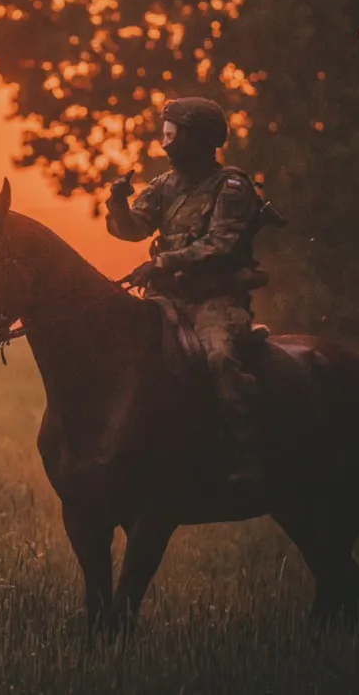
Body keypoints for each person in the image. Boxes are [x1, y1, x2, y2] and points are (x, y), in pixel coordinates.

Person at [105, 97, 268, 494]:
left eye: (172, 134)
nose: (166, 143)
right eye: (166, 134)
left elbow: (221, 244)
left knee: (219, 358)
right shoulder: (165, 185)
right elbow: (133, 230)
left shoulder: (231, 186)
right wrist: (118, 204)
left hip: (215, 302)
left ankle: (250, 454)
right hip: (166, 300)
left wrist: (162, 263)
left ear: (197, 138)